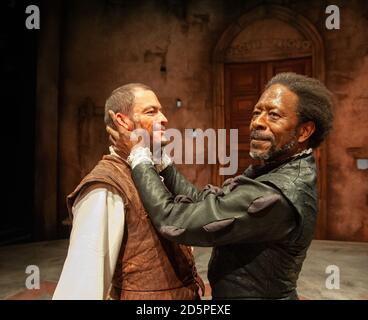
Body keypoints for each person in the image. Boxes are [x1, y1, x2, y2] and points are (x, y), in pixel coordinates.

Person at [106, 73, 334, 300]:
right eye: (256, 112)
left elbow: (175, 221)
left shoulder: (278, 193)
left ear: (304, 131)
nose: (258, 122)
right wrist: (160, 161)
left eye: (273, 115)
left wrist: (139, 155)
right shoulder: (277, 168)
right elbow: (207, 204)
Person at [53, 83, 204, 300]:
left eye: (161, 110)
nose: (164, 118)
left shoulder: (153, 170)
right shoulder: (105, 186)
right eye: (151, 112)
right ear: (122, 121)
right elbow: (82, 284)